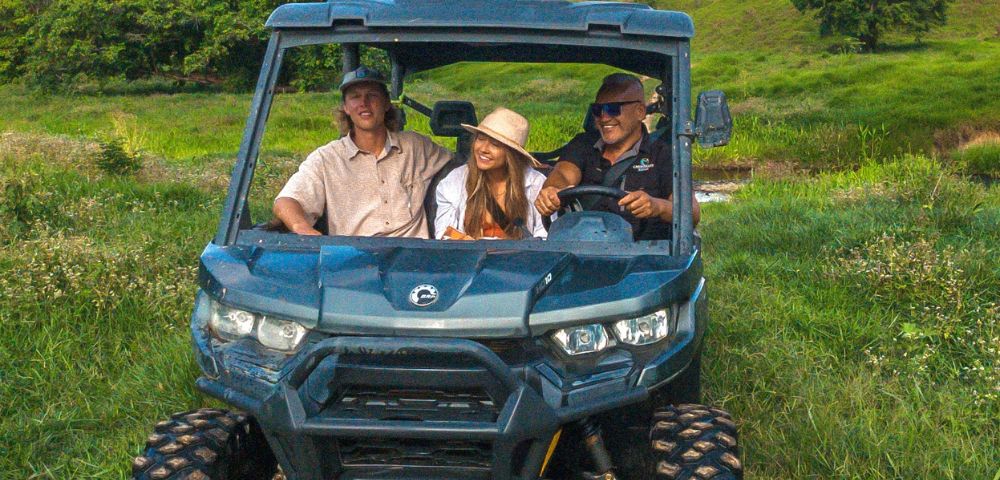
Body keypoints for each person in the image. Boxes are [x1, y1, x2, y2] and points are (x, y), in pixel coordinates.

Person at [273, 66, 453, 237]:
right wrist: (302, 228)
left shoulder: (415, 147)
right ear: (346, 107)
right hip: (354, 259)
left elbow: (464, 169)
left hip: (412, 260)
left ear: (386, 103)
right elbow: (285, 202)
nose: (364, 103)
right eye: (355, 97)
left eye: (372, 96)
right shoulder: (326, 159)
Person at [534, 73, 700, 240]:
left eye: (613, 109)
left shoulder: (663, 155)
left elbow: (691, 212)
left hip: (643, 256)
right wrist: (553, 190)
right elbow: (563, 173)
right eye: (598, 110)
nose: (604, 118)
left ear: (640, 111)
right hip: (579, 249)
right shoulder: (583, 144)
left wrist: (657, 206)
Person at [434, 107, 547, 239]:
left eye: (495, 144)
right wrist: (466, 242)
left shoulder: (536, 184)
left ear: (511, 154)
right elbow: (443, 236)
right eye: (480, 139)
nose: (483, 149)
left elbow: (545, 238)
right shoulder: (455, 180)